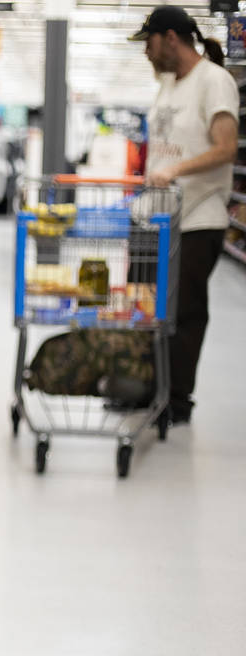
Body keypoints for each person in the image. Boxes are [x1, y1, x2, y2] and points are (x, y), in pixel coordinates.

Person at [131, 6, 238, 424]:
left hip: (197, 216)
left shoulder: (215, 81)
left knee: (186, 311)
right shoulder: (169, 84)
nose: (146, 53)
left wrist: (175, 170)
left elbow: (226, 148)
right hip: (156, 216)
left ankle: (176, 400)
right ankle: (145, 387)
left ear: (171, 38)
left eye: (149, 43)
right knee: (147, 306)